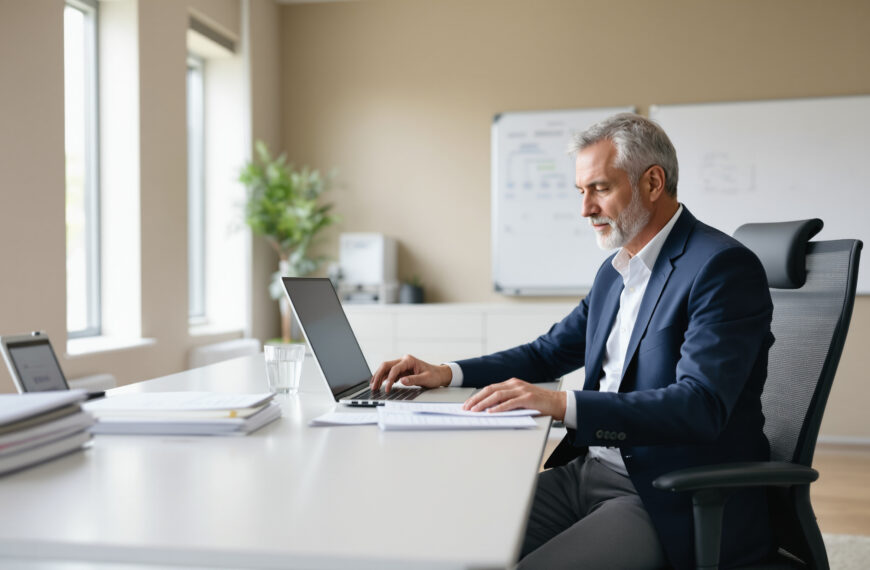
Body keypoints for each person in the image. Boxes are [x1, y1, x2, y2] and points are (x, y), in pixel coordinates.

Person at [370, 113, 773, 569]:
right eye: (581, 192)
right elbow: (548, 352)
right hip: (588, 472)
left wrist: (561, 405)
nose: (585, 208)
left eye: (600, 188)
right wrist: (448, 372)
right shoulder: (616, 272)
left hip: (664, 493)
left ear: (653, 183)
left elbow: (699, 405)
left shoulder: (720, 268)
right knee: (449, 543)